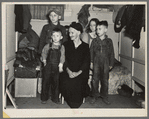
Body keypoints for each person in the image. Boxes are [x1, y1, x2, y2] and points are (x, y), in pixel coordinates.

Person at [60, 22, 90, 108]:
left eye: (72, 32)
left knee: (79, 83)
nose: (70, 35)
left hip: (81, 72)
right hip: (67, 71)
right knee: (68, 82)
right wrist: (69, 72)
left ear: (79, 32)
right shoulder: (66, 45)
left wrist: (78, 73)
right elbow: (64, 60)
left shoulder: (85, 46)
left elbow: (86, 62)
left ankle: (76, 102)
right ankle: (72, 102)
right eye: (69, 32)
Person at [90, 20, 115, 105]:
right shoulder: (94, 41)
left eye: (100, 29)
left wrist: (111, 64)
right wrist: (91, 62)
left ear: (105, 30)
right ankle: (94, 95)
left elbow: (112, 53)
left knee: (105, 81)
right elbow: (91, 53)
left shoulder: (109, 41)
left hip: (106, 63)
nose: (97, 31)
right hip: (96, 62)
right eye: (96, 29)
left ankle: (104, 96)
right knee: (95, 80)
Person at [40, 28, 65, 104]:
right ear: (51, 36)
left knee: (56, 83)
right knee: (45, 82)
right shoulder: (48, 45)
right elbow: (43, 53)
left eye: (57, 36)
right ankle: (44, 98)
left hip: (56, 67)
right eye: (53, 35)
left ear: (61, 37)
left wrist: (61, 65)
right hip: (48, 66)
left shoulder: (62, 47)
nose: (55, 37)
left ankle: (55, 98)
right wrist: (44, 60)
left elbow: (62, 57)